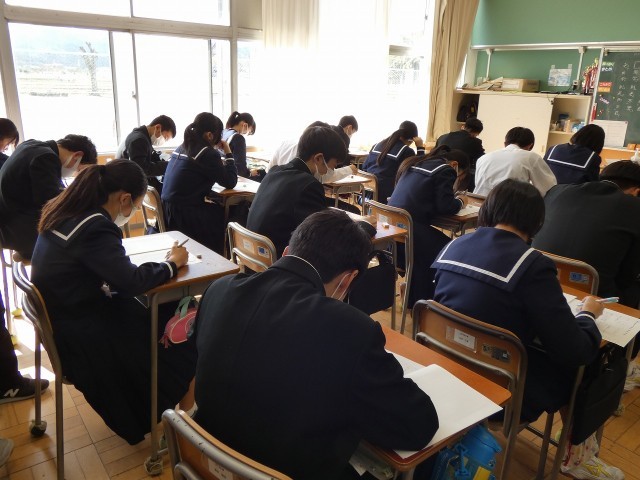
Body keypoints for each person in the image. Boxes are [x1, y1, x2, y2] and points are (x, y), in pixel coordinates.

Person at [194, 209, 439, 480]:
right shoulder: (351, 330)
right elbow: (419, 426)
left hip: (206, 463)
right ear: (348, 279)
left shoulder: (218, 290)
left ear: (287, 252)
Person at [432, 179, 623, 480]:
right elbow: (574, 350)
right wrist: (588, 314)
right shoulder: (532, 265)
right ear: (537, 222)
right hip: (503, 390)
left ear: (489, 209)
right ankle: (578, 457)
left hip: (445, 370)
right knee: (584, 367)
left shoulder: (453, 245)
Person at [30, 160, 196, 445]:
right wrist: (172, 264)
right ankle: (186, 423)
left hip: (68, 323)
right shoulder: (95, 227)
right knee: (186, 318)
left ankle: (180, 412)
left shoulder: (65, 212)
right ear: (124, 199)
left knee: (165, 309)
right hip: (87, 338)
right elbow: (130, 282)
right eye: (136, 206)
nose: (131, 213)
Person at [532, 161, 640, 392]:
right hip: (595, 295)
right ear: (636, 191)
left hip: (542, 281)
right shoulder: (634, 208)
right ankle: (621, 364)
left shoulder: (558, 191)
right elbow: (630, 274)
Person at [247, 125, 347, 257]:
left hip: (252, 254)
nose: (332, 171)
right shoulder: (310, 185)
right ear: (318, 158)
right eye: (333, 166)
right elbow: (319, 236)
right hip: (279, 259)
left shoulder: (274, 171)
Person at [388, 145, 469, 305]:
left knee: (429, 246)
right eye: (459, 176)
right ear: (455, 164)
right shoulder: (446, 169)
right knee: (451, 248)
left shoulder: (415, 162)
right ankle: (425, 301)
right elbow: (446, 206)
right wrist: (461, 201)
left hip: (393, 231)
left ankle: (412, 294)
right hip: (411, 231)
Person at [0, 134, 97, 259]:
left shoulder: (31, 145)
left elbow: (47, 192)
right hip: (19, 231)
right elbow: (51, 204)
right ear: (77, 156)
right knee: (85, 236)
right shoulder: (46, 157)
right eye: (79, 170)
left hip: (8, 224)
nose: (74, 174)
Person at [162, 112, 238, 255]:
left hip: (168, 210)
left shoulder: (182, 147)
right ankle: (219, 257)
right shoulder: (207, 153)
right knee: (231, 213)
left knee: (215, 208)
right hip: (185, 214)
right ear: (209, 135)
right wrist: (228, 153)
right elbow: (230, 181)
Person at [474, 126, 556, 197]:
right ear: (530, 145)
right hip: (506, 207)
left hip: (476, 204)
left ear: (505, 143)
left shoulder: (483, 158)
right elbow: (549, 189)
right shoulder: (530, 157)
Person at [362, 120, 425, 203]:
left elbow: (364, 167)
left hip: (366, 195)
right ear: (412, 139)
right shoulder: (406, 151)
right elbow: (418, 173)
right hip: (387, 198)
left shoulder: (376, 145)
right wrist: (420, 148)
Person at [116, 115, 176, 193]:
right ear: (158, 127)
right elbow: (142, 169)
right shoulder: (139, 140)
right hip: (126, 184)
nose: (164, 141)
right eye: (165, 137)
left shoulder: (141, 135)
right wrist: (168, 166)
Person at [435, 117, 485, 191]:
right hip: (455, 172)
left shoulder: (443, 137)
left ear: (464, 126)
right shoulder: (475, 142)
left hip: (436, 168)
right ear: (476, 133)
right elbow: (482, 158)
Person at [222, 111, 264, 181]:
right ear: (245, 125)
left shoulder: (224, 132)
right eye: (249, 132)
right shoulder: (239, 138)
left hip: (222, 174)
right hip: (232, 177)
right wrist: (250, 173)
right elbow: (241, 171)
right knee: (262, 174)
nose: (247, 134)